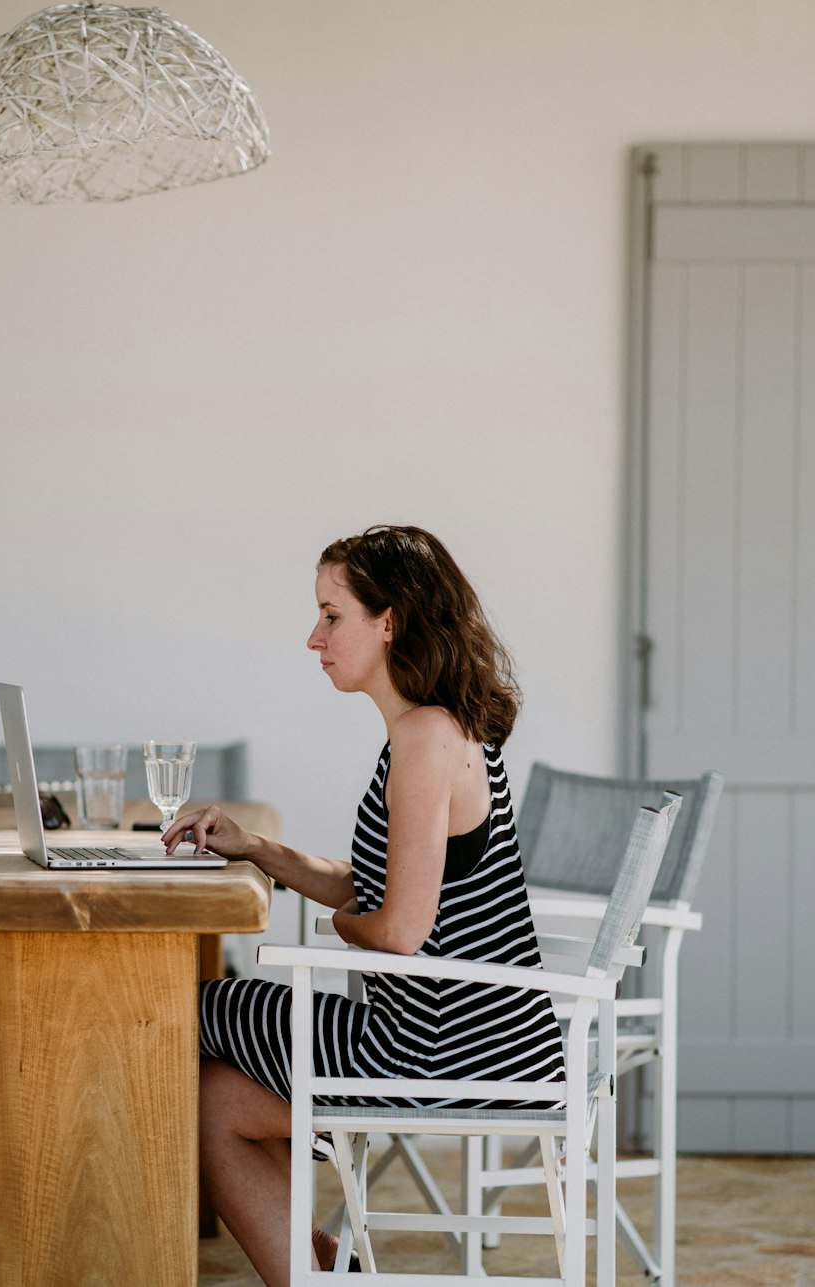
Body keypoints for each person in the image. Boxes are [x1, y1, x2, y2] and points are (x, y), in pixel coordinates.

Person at [162, 524, 566, 1286]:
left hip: (441, 1048)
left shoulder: (425, 738)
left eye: (331, 615)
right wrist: (256, 849)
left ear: (392, 620)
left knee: (178, 1011)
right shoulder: (435, 727)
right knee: (215, 1098)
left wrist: (335, 930)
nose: (313, 637)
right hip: (465, 1034)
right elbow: (375, 883)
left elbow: (397, 928)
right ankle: (324, 1269)